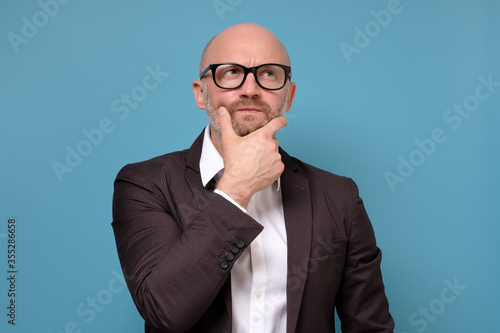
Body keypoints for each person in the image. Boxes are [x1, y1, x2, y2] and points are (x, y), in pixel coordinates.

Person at [112, 22, 395, 333]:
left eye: (269, 73)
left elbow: (371, 327)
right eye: (231, 72)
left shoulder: (339, 196)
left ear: (288, 96)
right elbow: (164, 312)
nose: (250, 89)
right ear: (200, 93)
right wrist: (238, 187)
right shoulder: (145, 185)